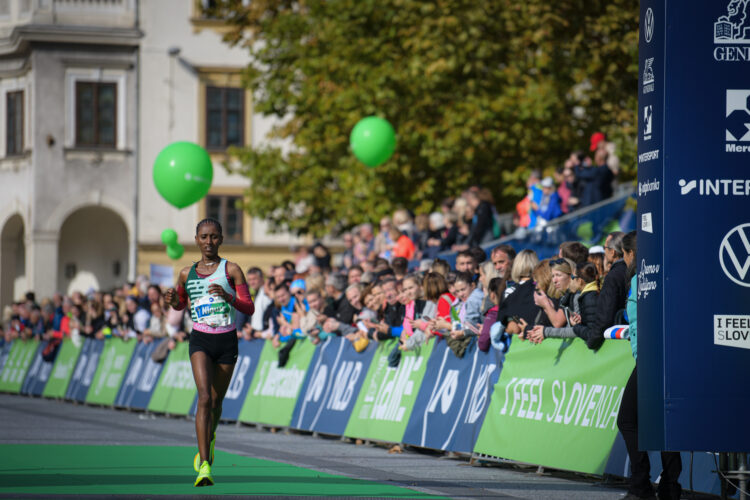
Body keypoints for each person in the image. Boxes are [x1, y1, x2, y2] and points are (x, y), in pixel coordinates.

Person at [164, 218, 255, 487]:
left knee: (216, 402)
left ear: (221, 239)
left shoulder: (232, 270)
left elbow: (248, 308)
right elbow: (181, 304)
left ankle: (210, 436)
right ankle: (204, 465)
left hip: (227, 340)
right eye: (204, 237)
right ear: (196, 240)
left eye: (214, 237)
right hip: (201, 339)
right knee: (204, 397)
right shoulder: (185, 273)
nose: (208, 242)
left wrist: (228, 297)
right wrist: (172, 301)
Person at [617, 231, 682, 500]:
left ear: (631, 254)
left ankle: (641, 485)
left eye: (623, 254)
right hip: (658, 356)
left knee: (628, 420)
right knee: (661, 423)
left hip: (652, 358)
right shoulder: (653, 276)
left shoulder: (641, 278)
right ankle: (668, 485)